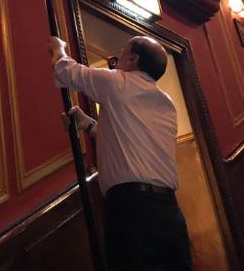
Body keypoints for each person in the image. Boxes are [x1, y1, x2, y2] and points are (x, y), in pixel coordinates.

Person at [48, 34, 193, 271]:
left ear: (133, 59)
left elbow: (65, 71)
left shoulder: (118, 81)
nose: (118, 58)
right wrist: (88, 124)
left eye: (123, 52)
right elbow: (127, 141)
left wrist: (59, 47)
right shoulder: (166, 104)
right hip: (169, 211)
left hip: (132, 209)